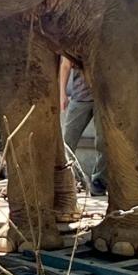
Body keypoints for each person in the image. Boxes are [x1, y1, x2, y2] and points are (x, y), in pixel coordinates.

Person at [59, 56, 107, 196]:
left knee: (103, 142)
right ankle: (68, 178)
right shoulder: (74, 36)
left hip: (102, 98)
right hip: (79, 97)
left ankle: (100, 181)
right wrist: (62, 93)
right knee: (67, 140)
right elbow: (65, 65)